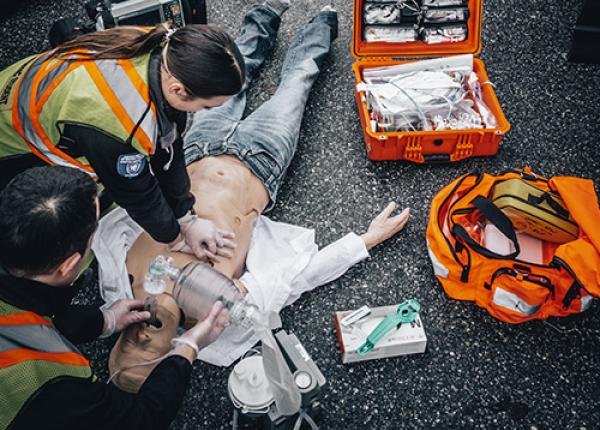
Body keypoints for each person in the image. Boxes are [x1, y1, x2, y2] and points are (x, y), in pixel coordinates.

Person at [103, 3, 409, 390]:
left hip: (195, 150)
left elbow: (102, 204)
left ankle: (264, 12)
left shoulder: (119, 275)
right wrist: (367, 239)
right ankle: (325, 18)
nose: (141, 338)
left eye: (127, 344)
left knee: (233, 69)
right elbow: (296, 278)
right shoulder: (216, 311)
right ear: (177, 351)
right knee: (298, 80)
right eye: (146, 352)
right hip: (261, 162)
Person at [0, 15, 246, 261]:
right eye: (205, 107)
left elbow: (168, 145)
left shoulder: (162, 46)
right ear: (178, 90)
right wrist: (176, 238)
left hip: (24, 85)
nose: (200, 113)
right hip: (10, 142)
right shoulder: (119, 124)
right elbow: (137, 194)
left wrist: (186, 217)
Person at [0, 166, 229, 429]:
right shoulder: (49, 383)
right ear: (68, 264)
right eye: (94, 232)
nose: (143, 335)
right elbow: (141, 420)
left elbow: (24, 318)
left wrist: (103, 320)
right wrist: (188, 347)